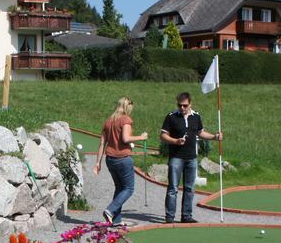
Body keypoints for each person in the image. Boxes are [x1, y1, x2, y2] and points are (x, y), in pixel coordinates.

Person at [159, 92, 222, 223]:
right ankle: (170, 217)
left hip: (191, 158)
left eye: (185, 105)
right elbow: (163, 135)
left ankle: (186, 216)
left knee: (189, 188)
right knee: (173, 188)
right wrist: (176, 141)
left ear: (190, 104)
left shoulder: (196, 116)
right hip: (176, 157)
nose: (182, 108)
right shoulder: (171, 117)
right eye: (179, 105)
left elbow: (200, 132)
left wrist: (214, 137)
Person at [94, 96, 148, 225]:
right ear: (127, 106)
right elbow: (126, 138)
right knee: (128, 188)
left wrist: (98, 162)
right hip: (123, 159)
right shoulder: (126, 120)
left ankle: (116, 220)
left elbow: (102, 143)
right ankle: (110, 210)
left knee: (119, 188)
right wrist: (141, 137)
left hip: (110, 160)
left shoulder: (108, 121)